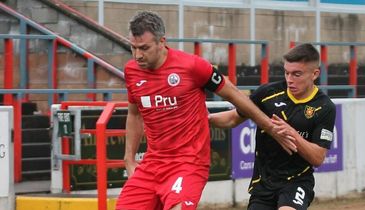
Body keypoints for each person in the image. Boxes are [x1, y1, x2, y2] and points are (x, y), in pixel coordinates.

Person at [116, 11, 295, 210]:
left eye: (144, 48)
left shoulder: (192, 66)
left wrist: (269, 127)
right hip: (152, 164)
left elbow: (234, 95)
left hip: (188, 162)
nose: (138, 55)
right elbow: (134, 114)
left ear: (161, 41)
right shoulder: (131, 71)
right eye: (133, 48)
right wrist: (129, 158)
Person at [209, 43, 336, 210]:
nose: (290, 80)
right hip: (264, 183)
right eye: (287, 73)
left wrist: (293, 134)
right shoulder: (267, 93)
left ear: (315, 74)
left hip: (297, 181)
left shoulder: (325, 107)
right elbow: (232, 119)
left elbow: (318, 158)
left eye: (297, 74)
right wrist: (204, 118)